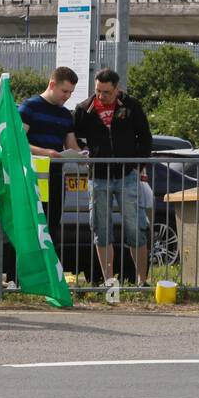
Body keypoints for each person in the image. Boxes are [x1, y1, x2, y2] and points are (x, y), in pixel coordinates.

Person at [73, 68, 153, 287]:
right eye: (98, 91)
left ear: (117, 89)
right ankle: (109, 282)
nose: (101, 96)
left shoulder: (131, 105)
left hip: (127, 175)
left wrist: (138, 164)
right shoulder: (84, 109)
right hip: (98, 177)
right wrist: (83, 152)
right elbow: (71, 134)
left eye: (106, 92)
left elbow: (145, 136)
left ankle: (142, 281)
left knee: (134, 226)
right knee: (100, 227)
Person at [19, 66, 81, 252]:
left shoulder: (64, 114)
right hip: (32, 176)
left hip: (54, 176)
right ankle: (18, 276)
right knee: (30, 225)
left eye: (71, 92)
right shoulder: (29, 107)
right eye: (64, 91)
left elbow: (71, 145)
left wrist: (82, 155)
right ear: (52, 84)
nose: (67, 96)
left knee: (52, 223)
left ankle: (49, 272)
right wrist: (47, 153)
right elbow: (18, 142)